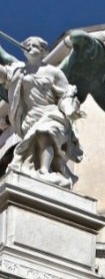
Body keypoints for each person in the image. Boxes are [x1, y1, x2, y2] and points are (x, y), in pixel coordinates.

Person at [0, 36, 82, 187]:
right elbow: (4, 75)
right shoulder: (19, 70)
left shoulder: (54, 72)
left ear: (43, 50)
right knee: (37, 143)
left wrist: (70, 109)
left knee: (46, 133)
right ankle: (43, 170)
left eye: (34, 45)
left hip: (51, 114)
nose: (30, 47)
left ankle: (44, 170)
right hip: (30, 118)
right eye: (28, 45)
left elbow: (66, 94)